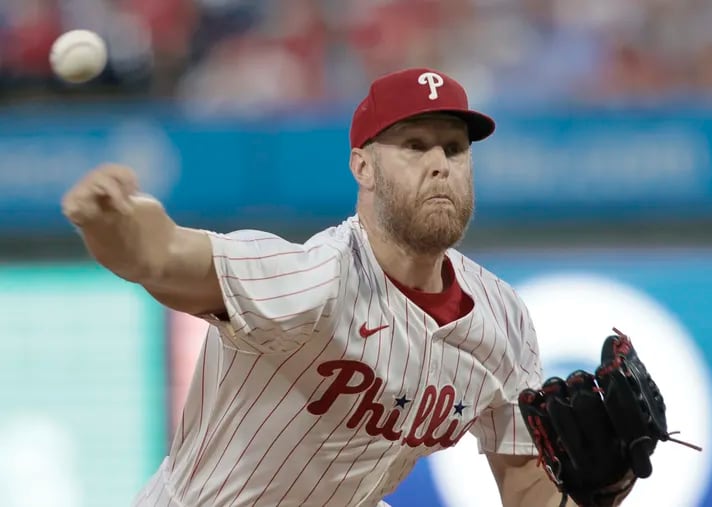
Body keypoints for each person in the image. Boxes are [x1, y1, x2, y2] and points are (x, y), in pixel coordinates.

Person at [62, 67, 626, 507]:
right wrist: (111, 224)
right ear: (364, 167)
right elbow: (163, 257)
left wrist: (597, 493)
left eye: (454, 149)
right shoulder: (314, 280)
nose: (440, 164)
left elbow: (526, 488)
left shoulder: (503, 321)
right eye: (414, 145)